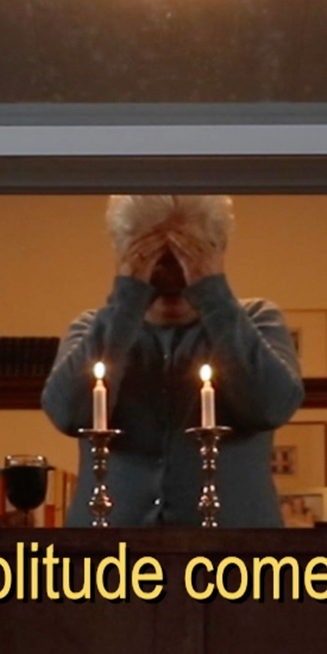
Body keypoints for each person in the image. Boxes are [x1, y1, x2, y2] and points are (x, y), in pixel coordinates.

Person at [41, 195, 303, 527]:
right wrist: (127, 301)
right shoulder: (92, 328)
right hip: (108, 559)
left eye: (188, 254)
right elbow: (67, 414)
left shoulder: (258, 321)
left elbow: (272, 406)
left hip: (236, 559)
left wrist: (213, 294)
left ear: (218, 252)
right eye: (152, 256)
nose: (171, 273)